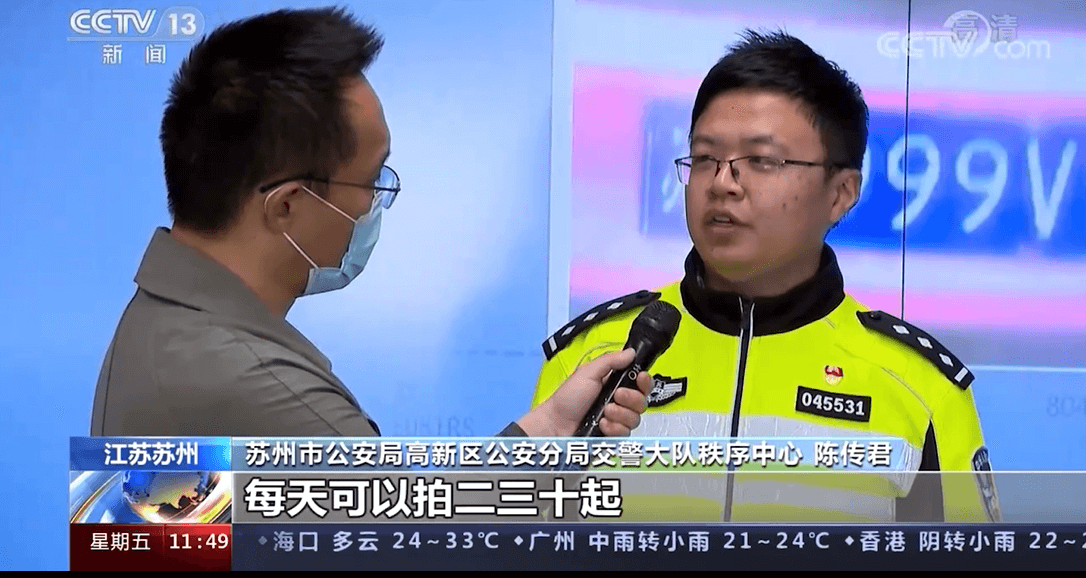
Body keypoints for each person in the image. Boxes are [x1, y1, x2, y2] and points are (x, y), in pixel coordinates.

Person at [90, 7, 652, 439]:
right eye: (370, 180)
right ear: (286, 206)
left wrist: (546, 430)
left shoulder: (164, 325)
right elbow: (433, 539)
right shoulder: (267, 392)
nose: (377, 202)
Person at [530, 29, 1000, 523]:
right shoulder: (592, 359)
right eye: (705, 158)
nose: (722, 183)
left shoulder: (919, 386)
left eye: (761, 161)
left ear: (840, 193)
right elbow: (513, 534)